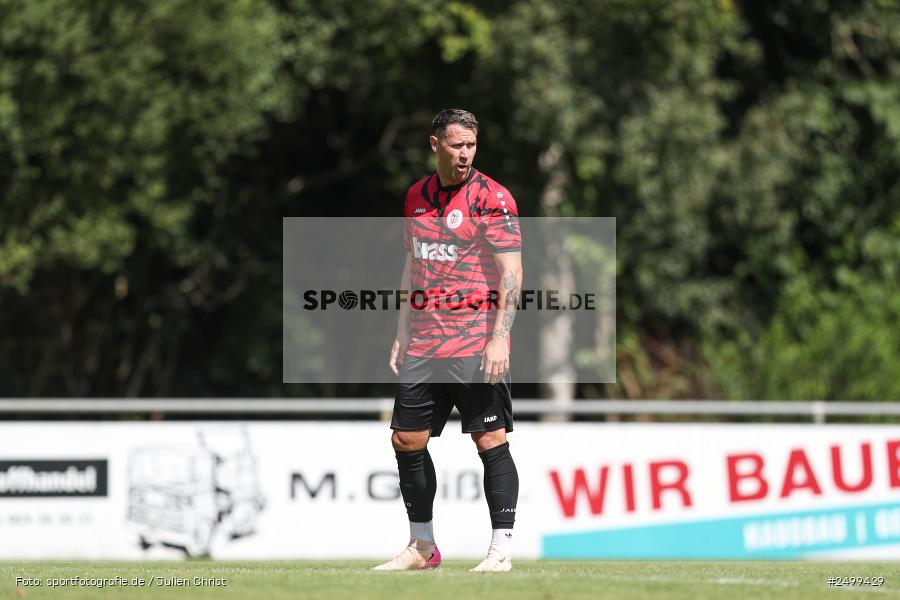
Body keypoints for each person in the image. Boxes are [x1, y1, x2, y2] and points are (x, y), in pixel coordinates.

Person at [373, 109, 523, 573]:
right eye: (457, 145)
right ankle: (422, 547)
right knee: (406, 439)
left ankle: (500, 548)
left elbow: (512, 274)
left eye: (471, 146)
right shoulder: (416, 197)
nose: (464, 154)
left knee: (490, 438)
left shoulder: (492, 198)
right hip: (424, 342)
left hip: (476, 342)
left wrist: (500, 338)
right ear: (434, 144)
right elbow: (410, 266)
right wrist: (400, 331)